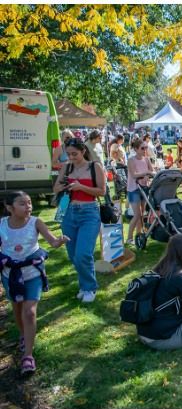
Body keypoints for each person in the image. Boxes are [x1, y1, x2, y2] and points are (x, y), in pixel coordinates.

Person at [0, 192, 69, 374]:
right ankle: (23, 335)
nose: (28, 206)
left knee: (29, 312)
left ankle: (28, 357)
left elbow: (52, 242)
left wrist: (60, 241)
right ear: (9, 207)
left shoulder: (36, 222)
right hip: (11, 276)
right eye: (22, 203)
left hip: (33, 274)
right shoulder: (1, 225)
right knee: (17, 307)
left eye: (29, 203)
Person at [53, 137, 106, 303]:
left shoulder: (94, 167)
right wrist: (64, 187)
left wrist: (81, 186)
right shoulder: (67, 167)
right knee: (73, 255)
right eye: (68, 154)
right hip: (68, 212)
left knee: (83, 253)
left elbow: (102, 191)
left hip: (89, 213)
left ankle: (90, 287)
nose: (71, 157)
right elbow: (55, 188)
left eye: (74, 154)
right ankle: (84, 286)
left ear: (83, 151)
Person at [126, 138, 154, 245]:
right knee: (137, 214)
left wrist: (148, 174)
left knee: (142, 214)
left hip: (144, 188)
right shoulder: (131, 160)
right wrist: (146, 173)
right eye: (142, 148)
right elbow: (134, 174)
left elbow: (152, 171)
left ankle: (139, 235)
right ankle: (129, 238)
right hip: (134, 189)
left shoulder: (146, 159)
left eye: (146, 147)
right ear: (136, 149)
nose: (145, 150)